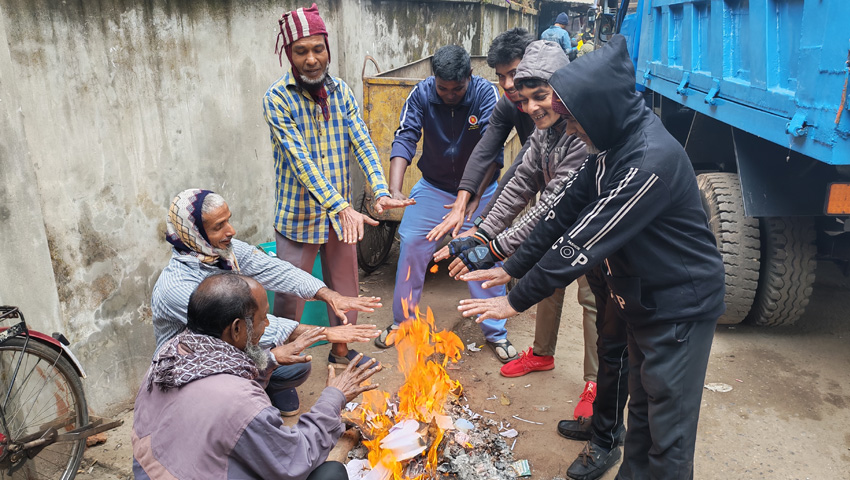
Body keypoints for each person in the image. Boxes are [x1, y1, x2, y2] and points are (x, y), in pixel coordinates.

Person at [457, 35, 725, 480]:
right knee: (640, 415)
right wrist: (508, 267)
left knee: (668, 437)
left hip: (679, 309)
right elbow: (559, 214)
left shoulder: (646, 160)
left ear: (599, 109)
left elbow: (582, 241)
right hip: (642, 299)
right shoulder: (608, 147)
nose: (568, 127)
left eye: (572, 117)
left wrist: (516, 298)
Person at [434, 40, 599, 420]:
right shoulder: (543, 131)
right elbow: (520, 182)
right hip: (553, 225)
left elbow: (548, 206)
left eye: (540, 96)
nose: (530, 108)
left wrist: (496, 248)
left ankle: (595, 381)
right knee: (547, 285)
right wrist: (479, 234)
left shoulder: (580, 133)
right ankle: (542, 354)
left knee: (592, 301)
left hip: (593, 228)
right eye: (524, 100)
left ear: (562, 88)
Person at [263, 3, 413, 369]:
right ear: (289, 55)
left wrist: (379, 190)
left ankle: (342, 353)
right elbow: (301, 163)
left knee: (346, 289)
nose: (312, 59)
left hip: (341, 220)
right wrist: (341, 206)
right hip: (299, 218)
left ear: (328, 49)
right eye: (302, 51)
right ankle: (287, 369)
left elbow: (361, 140)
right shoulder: (277, 98)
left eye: (318, 49)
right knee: (289, 298)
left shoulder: (341, 91)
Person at [152, 189, 382, 416]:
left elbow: (276, 270)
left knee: (296, 363)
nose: (231, 231)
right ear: (193, 234)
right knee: (267, 368)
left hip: (231, 346)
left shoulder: (222, 251)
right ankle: (225, 405)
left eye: (228, 221)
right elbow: (245, 325)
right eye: (218, 226)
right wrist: (324, 333)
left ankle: (265, 386)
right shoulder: (177, 287)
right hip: (194, 365)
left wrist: (329, 295)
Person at [134, 273, 381, 480]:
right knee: (331, 473)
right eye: (263, 318)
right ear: (237, 328)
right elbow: (295, 460)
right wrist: (333, 398)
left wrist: (270, 359)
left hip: (155, 471)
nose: (267, 326)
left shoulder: (170, 354)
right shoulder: (239, 401)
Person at [374, 45, 515, 362]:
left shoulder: (486, 95)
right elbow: (405, 136)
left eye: (457, 88)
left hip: (481, 189)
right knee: (411, 242)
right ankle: (403, 322)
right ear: (433, 80)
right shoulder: (422, 94)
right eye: (443, 88)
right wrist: (395, 190)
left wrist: (470, 202)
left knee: (484, 253)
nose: (449, 94)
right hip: (434, 187)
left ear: (470, 77)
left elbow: (491, 153)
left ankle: (496, 331)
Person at [426, 27, 536, 243]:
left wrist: (482, 225)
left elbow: (522, 167)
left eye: (514, 74)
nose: (507, 84)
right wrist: (462, 202)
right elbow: (485, 149)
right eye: (501, 76)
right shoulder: (508, 103)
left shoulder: (555, 105)